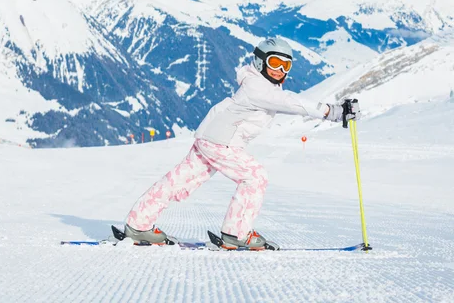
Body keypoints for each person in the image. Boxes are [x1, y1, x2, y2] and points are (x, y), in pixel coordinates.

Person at [124, 38, 361, 249]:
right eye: (274, 62)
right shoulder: (259, 87)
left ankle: (138, 224)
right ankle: (236, 234)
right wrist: (335, 112)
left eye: (285, 65)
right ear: (260, 62)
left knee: (180, 180)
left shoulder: (260, 85)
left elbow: (283, 100)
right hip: (221, 140)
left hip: (212, 135)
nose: (279, 70)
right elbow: (294, 104)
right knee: (254, 177)